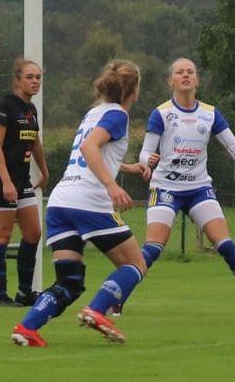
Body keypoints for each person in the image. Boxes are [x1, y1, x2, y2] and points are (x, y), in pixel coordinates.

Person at [11, 60, 150, 347]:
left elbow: (90, 154)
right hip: (89, 202)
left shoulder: (93, 113)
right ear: (133, 90)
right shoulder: (118, 115)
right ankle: (97, 310)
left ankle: (27, 327)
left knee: (70, 281)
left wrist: (125, 168)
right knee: (136, 264)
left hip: (61, 202)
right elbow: (89, 149)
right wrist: (111, 186)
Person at [126, 57, 235, 316]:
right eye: (179, 72)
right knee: (152, 249)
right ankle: (117, 300)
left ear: (197, 80)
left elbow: (233, 146)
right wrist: (146, 161)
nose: (185, 75)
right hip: (165, 188)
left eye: (190, 72)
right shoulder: (161, 114)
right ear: (171, 81)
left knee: (226, 246)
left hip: (198, 189)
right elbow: (145, 152)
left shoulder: (210, 113)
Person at [0, 57, 48, 307]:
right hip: (0, 179)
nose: (35, 81)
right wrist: (6, 182)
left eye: (38, 77)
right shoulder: (6, 105)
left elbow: (35, 142)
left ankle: (24, 293)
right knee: (2, 235)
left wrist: (45, 171)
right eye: (29, 77)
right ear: (17, 80)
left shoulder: (31, 109)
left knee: (33, 233)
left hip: (22, 179)